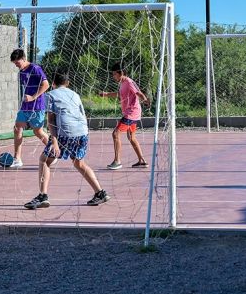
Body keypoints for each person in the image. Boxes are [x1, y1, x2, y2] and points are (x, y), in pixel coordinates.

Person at [24, 72, 111, 209]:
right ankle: (100, 193)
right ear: (68, 83)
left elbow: (51, 121)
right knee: (79, 163)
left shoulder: (50, 95)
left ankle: (43, 196)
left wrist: (55, 142)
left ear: (53, 84)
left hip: (66, 133)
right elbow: (82, 114)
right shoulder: (75, 94)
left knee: (44, 160)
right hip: (82, 132)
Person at [99, 63, 151, 170]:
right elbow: (119, 94)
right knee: (131, 137)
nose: (113, 77)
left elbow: (138, 92)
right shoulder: (122, 83)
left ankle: (117, 161)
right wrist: (106, 94)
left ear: (121, 73)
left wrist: (145, 100)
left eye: (114, 74)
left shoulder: (128, 81)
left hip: (131, 113)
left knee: (115, 133)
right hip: (132, 113)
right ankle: (142, 161)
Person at [9, 48, 50, 168]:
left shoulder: (35, 68)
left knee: (37, 131)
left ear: (23, 59)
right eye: (15, 63)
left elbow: (46, 84)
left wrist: (33, 97)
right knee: (17, 129)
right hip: (25, 106)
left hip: (37, 106)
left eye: (17, 62)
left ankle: (53, 151)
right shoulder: (21, 72)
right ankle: (17, 159)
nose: (16, 65)